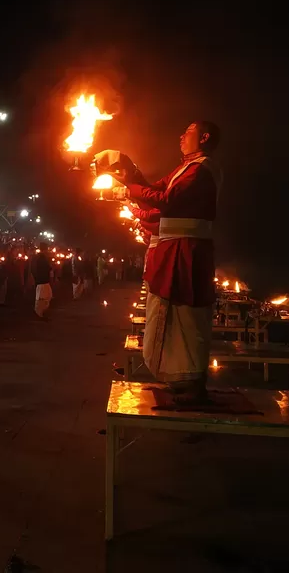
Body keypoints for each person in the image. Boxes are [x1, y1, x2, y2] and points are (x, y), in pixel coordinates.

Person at [97, 121, 222, 401]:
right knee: (167, 313)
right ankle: (174, 377)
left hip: (188, 252)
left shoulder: (203, 169)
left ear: (203, 137)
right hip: (173, 248)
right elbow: (153, 192)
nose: (180, 135)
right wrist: (127, 170)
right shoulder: (184, 168)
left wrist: (129, 189)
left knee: (185, 316)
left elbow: (165, 200)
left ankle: (190, 383)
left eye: (187, 131)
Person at [32, 248, 54, 320]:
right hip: (41, 281)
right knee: (41, 298)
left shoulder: (41, 260)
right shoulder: (41, 260)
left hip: (44, 281)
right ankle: (38, 313)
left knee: (47, 296)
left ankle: (41, 312)